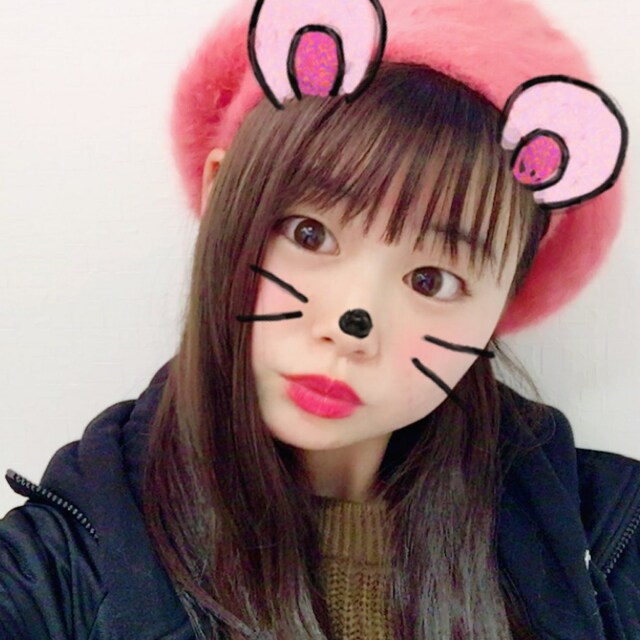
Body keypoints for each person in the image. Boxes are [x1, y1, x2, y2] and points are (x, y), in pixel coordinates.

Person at [1, 0, 638, 638]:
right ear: (221, 194)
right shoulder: (61, 565)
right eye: (309, 234)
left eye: (431, 280)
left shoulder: (608, 534)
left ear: (505, 297)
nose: (347, 326)